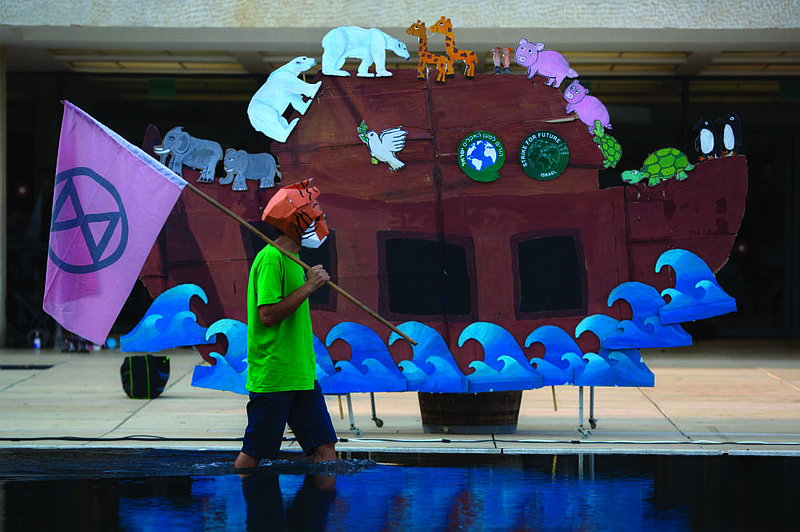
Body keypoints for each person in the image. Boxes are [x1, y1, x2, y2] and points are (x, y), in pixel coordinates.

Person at [235, 180, 338, 468]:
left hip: (301, 374)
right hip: (276, 374)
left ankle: (320, 512)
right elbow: (266, 315)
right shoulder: (271, 259)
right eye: (316, 217)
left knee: (325, 446)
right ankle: (245, 505)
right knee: (256, 451)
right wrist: (308, 288)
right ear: (297, 221)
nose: (321, 222)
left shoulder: (295, 260)